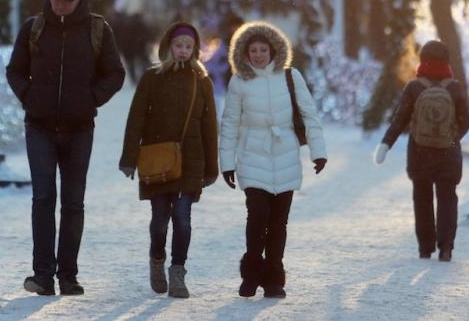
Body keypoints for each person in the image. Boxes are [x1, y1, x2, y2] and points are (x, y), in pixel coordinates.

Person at [6, 0, 125, 296]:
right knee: (43, 199)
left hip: (79, 129)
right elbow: (15, 69)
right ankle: (42, 275)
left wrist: (91, 98)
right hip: (40, 127)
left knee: (73, 204)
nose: (59, 4)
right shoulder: (34, 27)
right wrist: (29, 96)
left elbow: (115, 73)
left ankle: (68, 276)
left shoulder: (97, 29)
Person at [219, 21, 327, 299]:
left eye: (262, 49)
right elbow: (230, 123)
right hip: (253, 157)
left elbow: (310, 114)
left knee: (279, 222)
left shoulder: (292, 77)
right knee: (256, 217)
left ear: (273, 50)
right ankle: (251, 274)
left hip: (286, 156)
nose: (258, 55)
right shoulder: (239, 81)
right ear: (244, 53)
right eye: (252, 50)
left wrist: (319, 152)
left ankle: (273, 279)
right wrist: (227, 163)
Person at [119, 22, 219, 299]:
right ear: (168, 48)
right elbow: (136, 118)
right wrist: (129, 158)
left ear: (196, 50)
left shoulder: (202, 82)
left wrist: (212, 167)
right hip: (158, 159)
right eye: (179, 45)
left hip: (191, 160)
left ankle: (178, 272)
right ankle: (156, 260)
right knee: (160, 220)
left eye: (189, 46)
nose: (183, 51)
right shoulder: (153, 78)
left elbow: (210, 127)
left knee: (183, 219)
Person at [373, 39, 469, 262]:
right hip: (449, 154)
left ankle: (425, 248)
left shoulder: (414, 87)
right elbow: (465, 121)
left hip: (420, 154)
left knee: (422, 199)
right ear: (447, 62)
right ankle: (446, 247)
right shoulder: (454, 88)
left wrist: (386, 144)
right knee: (447, 198)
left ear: (422, 61)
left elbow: (399, 121)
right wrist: (452, 138)